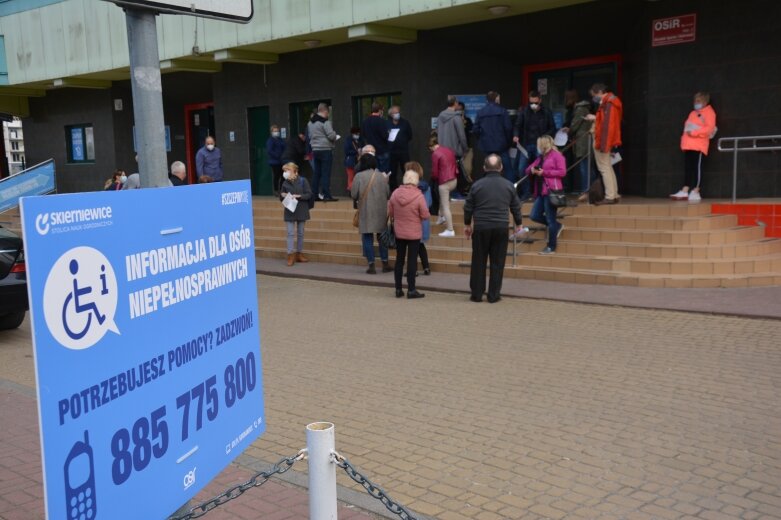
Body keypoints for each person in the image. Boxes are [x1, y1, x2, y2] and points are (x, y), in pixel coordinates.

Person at [463, 155, 525, 303]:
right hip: (501, 227)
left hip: (481, 227)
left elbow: (468, 206)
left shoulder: (477, 185)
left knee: (478, 261)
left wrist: (467, 224)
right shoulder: (509, 185)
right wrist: (519, 223)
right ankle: (493, 295)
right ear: (501, 167)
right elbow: (516, 206)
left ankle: (477, 294)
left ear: (484, 168)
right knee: (498, 262)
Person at [388, 170, 430, 299]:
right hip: (414, 233)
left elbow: (391, 212)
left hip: (399, 232)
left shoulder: (395, 193)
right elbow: (425, 215)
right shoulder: (419, 196)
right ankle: (411, 290)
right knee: (412, 261)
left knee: (399, 260)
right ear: (416, 181)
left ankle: (398, 289)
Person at [350, 149, 392, 274]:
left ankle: (371, 264)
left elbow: (353, 194)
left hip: (365, 210)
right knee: (382, 237)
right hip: (380, 210)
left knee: (367, 237)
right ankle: (385, 263)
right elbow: (388, 193)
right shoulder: (381, 176)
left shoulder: (358, 176)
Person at [671, 92, 717, 203]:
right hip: (688, 144)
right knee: (688, 168)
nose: (696, 103)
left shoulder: (709, 113)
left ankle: (696, 191)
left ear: (705, 102)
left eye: (698, 101)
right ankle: (685, 190)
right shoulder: (692, 113)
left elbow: (709, 128)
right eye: (695, 101)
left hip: (699, 145)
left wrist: (695, 133)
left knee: (697, 168)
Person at [526, 135, 566, 255]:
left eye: (539, 145)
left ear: (542, 145)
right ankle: (557, 226)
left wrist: (545, 172)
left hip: (551, 191)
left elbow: (562, 172)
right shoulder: (541, 157)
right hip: (541, 191)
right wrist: (531, 170)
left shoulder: (556, 155)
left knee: (550, 219)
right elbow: (527, 169)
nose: (537, 147)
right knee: (534, 215)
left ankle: (551, 246)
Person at [513, 90, 556, 200]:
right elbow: (517, 125)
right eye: (531, 102)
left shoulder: (546, 112)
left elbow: (552, 128)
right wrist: (516, 135)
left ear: (540, 100)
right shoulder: (524, 111)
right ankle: (527, 192)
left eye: (536, 103)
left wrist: (544, 138)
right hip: (525, 144)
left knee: (540, 169)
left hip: (540, 145)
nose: (533, 105)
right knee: (522, 169)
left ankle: (540, 192)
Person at [586, 83, 622, 205]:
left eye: (594, 95)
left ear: (600, 92)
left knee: (604, 168)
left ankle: (610, 196)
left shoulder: (608, 104)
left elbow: (607, 126)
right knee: (607, 167)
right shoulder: (611, 102)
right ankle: (614, 194)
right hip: (606, 139)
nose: (594, 98)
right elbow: (607, 123)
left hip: (602, 140)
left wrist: (603, 143)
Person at [561, 91, 594, 200]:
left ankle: (587, 191)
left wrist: (569, 130)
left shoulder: (580, 109)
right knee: (586, 167)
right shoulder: (582, 109)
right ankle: (588, 190)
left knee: (585, 168)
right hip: (582, 141)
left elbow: (575, 125)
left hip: (583, 142)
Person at [473, 91, 513, 180]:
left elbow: (475, 129)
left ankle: (487, 188)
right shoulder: (502, 111)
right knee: (507, 168)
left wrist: (481, 139)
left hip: (486, 145)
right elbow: (508, 128)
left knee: (487, 168)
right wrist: (508, 142)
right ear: (496, 99)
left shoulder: (480, 112)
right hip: (501, 145)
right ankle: (511, 188)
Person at [279, 162, 312, 266]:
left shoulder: (303, 181)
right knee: (290, 233)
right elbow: (281, 197)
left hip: (301, 209)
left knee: (301, 233)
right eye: (284, 171)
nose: (285, 173)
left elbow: (309, 194)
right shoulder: (284, 183)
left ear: (294, 171)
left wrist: (299, 196)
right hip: (290, 209)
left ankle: (299, 254)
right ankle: (290, 255)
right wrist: (284, 195)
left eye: (287, 170)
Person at [405, 160, 432, 276]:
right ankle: (426, 267)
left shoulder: (409, 188)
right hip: (424, 219)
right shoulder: (427, 187)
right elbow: (429, 203)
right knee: (420, 244)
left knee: (412, 247)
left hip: (412, 220)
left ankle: (413, 270)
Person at [307, 103, 339, 201]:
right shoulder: (325, 122)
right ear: (325, 111)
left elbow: (310, 136)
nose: (328, 115)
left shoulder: (310, 123)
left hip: (315, 150)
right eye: (328, 113)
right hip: (325, 150)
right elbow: (331, 136)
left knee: (317, 173)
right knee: (326, 173)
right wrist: (335, 135)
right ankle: (326, 195)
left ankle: (315, 194)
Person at [428, 135, 458, 237]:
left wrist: (432, 178)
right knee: (442, 198)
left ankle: (450, 229)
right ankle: (441, 217)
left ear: (431, 147)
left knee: (446, 206)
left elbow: (435, 172)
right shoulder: (448, 150)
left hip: (444, 182)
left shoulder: (435, 154)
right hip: (454, 180)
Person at [387, 105, 413, 192]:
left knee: (406, 171)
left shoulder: (405, 123)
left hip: (403, 151)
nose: (397, 114)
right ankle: (394, 191)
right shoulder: (387, 124)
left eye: (398, 112)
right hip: (392, 152)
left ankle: (408, 190)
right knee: (392, 173)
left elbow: (410, 136)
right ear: (391, 114)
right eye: (395, 113)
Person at [361, 103, 390, 173]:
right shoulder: (382, 121)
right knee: (383, 173)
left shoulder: (365, 121)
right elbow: (385, 136)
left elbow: (363, 135)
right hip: (382, 150)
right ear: (380, 111)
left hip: (371, 151)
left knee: (373, 172)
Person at [266, 125, 286, 194]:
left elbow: (284, 147)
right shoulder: (270, 140)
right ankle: (276, 190)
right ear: (271, 132)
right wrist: (277, 156)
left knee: (283, 176)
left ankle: (281, 189)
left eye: (277, 131)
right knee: (276, 176)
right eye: (275, 131)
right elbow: (270, 150)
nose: (276, 132)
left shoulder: (280, 139)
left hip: (281, 161)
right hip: (274, 162)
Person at [344, 127, 364, 191]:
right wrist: (356, 151)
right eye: (356, 134)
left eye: (358, 134)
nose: (357, 135)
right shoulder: (348, 140)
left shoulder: (360, 140)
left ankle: (356, 190)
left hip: (359, 161)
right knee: (351, 177)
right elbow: (346, 151)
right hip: (351, 161)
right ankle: (351, 190)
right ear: (352, 134)